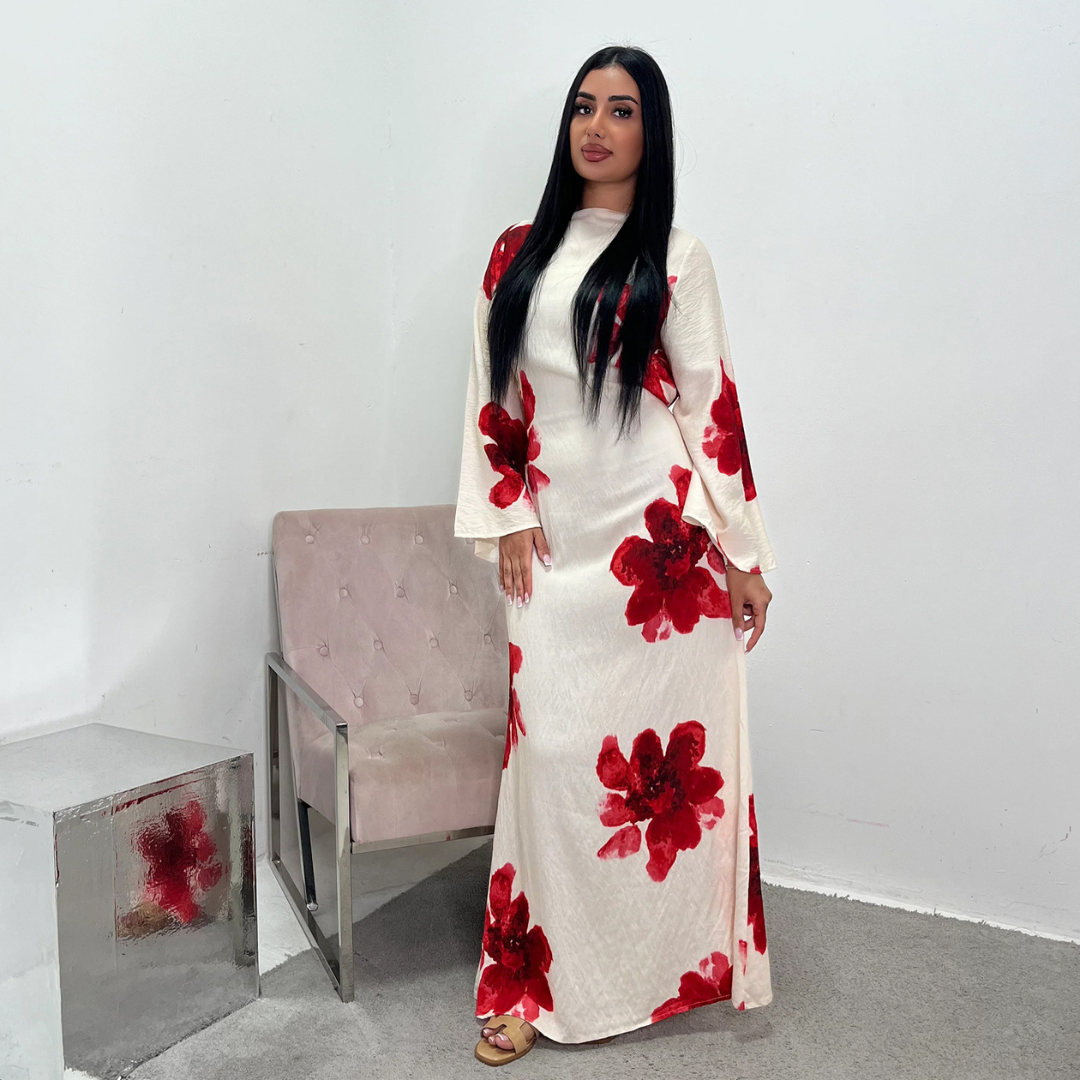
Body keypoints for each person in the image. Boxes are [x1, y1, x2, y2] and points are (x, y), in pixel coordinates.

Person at [453, 44, 777, 1066]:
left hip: (662, 559)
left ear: (652, 131)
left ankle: (652, 972)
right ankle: (529, 983)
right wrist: (506, 510)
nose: (596, 126)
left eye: (622, 110)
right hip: (552, 547)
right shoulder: (515, 253)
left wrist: (744, 552)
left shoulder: (676, 258)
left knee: (659, 784)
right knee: (551, 760)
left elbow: (711, 408)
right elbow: (492, 392)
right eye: (584, 107)